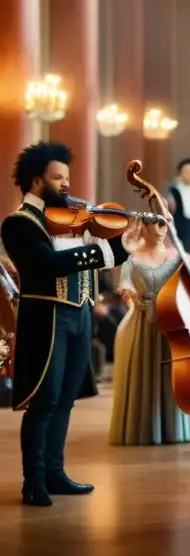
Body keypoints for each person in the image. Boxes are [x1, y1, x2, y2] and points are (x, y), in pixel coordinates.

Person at [0, 142, 141, 506]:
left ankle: (55, 472)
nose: (66, 185)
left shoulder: (75, 218)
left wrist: (127, 243)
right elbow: (46, 264)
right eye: (57, 177)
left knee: (65, 399)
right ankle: (33, 481)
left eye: (67, 177)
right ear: (36, 181)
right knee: (44, 400)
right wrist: (105, 250)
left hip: (79, 314)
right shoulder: (19, 224)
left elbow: (104, 259)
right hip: (46, 317)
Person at [110, 215, 190, 446]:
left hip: (174, 321)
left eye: (164, 225)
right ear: (143, 227)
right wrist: (129, 293)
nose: (161, 230)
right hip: (143, 323)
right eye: (156, 225)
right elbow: (125, 284)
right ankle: (144, 429)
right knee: (143, 372)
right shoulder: (132, 258)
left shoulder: (176, 257)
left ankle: (175, 428)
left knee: (176, 374)